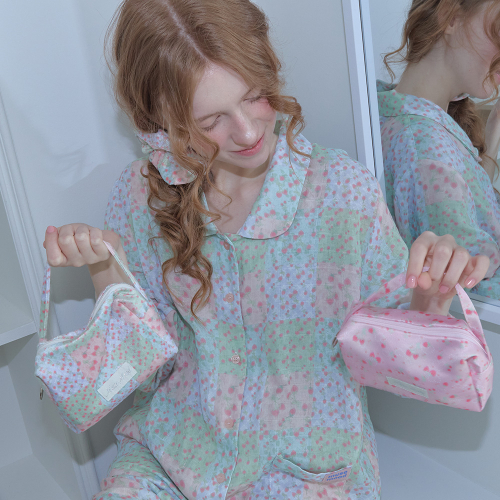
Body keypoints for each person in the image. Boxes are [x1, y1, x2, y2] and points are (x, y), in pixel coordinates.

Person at [43, 0, 489, 498]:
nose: (249, 131)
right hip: (172, 458)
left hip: (304, 473)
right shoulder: (139, 194)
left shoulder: (343, 192)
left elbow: (392, 355)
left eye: (255, 96)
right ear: (161, 119)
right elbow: (140, 374)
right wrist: (106, 271)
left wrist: (428, 301)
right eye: (211, 120)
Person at [377, 0, 500, 299]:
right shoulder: (424, 147)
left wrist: (494, 133)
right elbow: (474, 290)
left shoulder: (392, 112)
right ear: (450, 17)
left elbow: (465, 206)